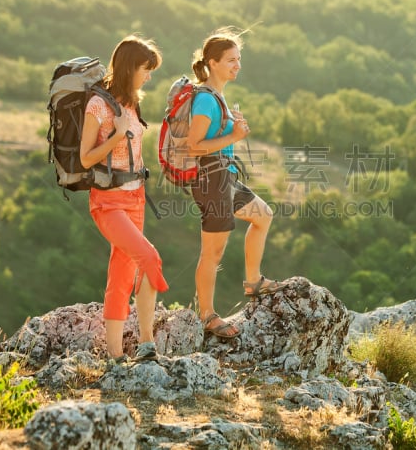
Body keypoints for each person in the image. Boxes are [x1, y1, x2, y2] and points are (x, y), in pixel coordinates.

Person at [186, 27, 285, 338]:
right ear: (213, 63)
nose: (237, 65)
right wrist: (234, 134)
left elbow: (219, 139)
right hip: (211, 179)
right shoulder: (205, 99)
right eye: (231, 60)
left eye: (239, 59)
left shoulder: (219, 97)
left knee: (263, 215)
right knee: (212, 254)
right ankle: (208, 315)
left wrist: (234, 129)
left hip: (225, 176)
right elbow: (194, 145)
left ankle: (253, 281)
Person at [80, 34, 167, 361]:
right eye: (146, 69)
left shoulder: (131, 104)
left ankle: (115, 357)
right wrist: (115, 135)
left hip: (136, 199)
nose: (149, 76)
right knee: (150, 258)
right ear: (130, 67)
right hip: (108, 202)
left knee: (122, 273)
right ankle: (147, 345)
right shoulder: (98, 105)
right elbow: (86, 158)